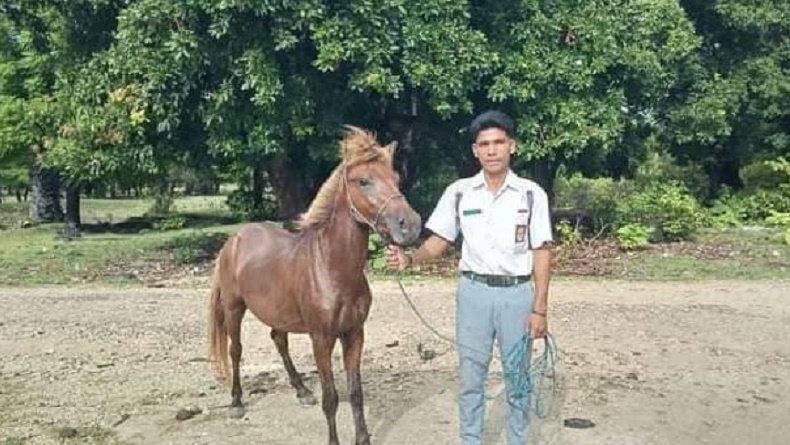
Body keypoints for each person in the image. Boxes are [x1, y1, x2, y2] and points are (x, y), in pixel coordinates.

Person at [386, 110, 554, 444]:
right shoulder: (460, 192)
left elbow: (542, 251)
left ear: (512, 147)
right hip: (473, 294)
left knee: (518, 379)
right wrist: (410, 259)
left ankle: (517, 440)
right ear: (475, 151)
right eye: (484, 144)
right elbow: (438, 243)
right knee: (470, 379)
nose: (492, 150)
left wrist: (540, 309)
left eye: (499, 143)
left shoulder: (531, 194)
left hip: (516, 295)